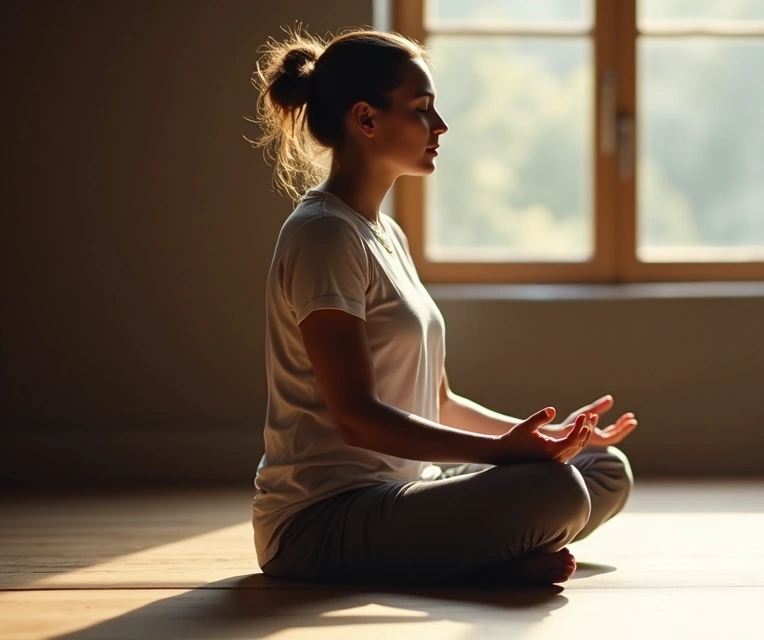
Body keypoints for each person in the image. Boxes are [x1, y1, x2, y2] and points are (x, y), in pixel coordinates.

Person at [248, 26, 638, 586]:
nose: (440, 125)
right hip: (323, 521)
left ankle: (486, 553)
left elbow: (439, 402)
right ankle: (490, 559)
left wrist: (548, 441)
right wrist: (503, 453)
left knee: (601, 468)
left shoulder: (385, 234)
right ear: (366, 119)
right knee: (558, 491)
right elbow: (356, 418)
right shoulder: (324, 235)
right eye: (422, 109)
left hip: (409, 489)